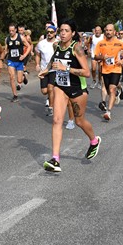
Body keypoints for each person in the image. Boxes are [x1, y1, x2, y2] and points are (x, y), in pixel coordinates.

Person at [38, 19, 101, 173]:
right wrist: (46, 70)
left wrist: (66, 68)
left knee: (79, 121)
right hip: (61, 87)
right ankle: (55, 159)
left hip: (77, 89)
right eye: (61, 30)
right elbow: (54, 60)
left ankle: (94, 140)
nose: (63, 33)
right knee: (57, 121)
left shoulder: (77, 48)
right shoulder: (56, 45)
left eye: (66, 31)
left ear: (73, 33)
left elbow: (86, 72)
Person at [94, 24, 123, 121]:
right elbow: (95, 56)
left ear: (114, 32)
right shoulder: (100, 43)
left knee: (111, 89)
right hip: (105, 69)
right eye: (107, 30)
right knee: (109, 91)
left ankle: (108, 112)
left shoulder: (119, 43)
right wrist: (102, 57)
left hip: (116, 69)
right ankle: (119, 91)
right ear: (104, 32)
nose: (108, 32)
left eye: (110, 30)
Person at [2, 23, 31, 102]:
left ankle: (23, 76)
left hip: (19, 61)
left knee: (19, 80)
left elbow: (29, 46)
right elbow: (6, 50)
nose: (11, 32)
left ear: (15, 30)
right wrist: (1, 59)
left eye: (12, 30)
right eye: (9, 31)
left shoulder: (21, 37)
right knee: (11, 77)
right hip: (11, 60)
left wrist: (24, 56)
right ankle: (15, 95)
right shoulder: (7, 39)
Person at [35, 24, 58, 116]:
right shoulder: (41, 43)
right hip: (44, 69)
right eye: (48, 32)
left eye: (51, 32)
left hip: (54, 69)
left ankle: (51, 107)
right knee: (44, 91)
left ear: (55, 32)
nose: (49, 34)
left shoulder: (58, 43)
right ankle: (50, 97)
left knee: (50, 88)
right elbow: (37, 54)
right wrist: (37, 64)